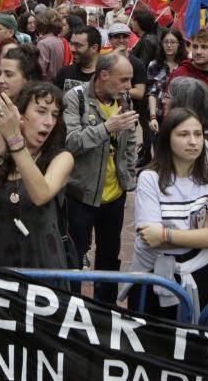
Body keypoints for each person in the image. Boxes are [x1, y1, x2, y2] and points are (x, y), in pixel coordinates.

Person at [0, 82, 74, 268]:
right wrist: (0, 150)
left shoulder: (62, 158)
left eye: (55, 115)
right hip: (0, 264)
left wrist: (16, 142)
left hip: (43, 267)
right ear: (20, 117)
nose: (49, 121)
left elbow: (41, 195)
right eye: (41, 111)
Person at [127, 108, 208, 320]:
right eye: (183, 134)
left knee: (194, 342)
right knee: (151, 341)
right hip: (154, 273)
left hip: (201, 273)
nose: (193, 141)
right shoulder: (149, 178)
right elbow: (149, 237)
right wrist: (200, 236)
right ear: (167, 139)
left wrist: (166, 235)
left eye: (198, 134)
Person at [63, 53, 139, 300]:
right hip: (80, 194)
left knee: (109, 256)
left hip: (114, 195)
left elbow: (130, 142)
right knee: (74, 255)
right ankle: (71, 306)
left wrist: (128, 174)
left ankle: (105, 310)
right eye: (124, 80)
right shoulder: (76, 98)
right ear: (104, 75)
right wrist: (106, 128)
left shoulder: (124, 99)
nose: (129, 86)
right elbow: (71, 141)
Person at [147, 28, 187, 139]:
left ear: (179, 44)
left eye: (173, 42)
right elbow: (152, 92)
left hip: (180, 116)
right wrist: (153, 117)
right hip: (158, 116)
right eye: (166, 42)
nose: (169, 45)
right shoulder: (154, 65)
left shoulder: (186, 66)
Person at [168, 26, 208, 96]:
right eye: (195, 47)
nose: (198, 52)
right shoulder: (179, 73)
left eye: (204, 47)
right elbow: (168, 103)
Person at [54, 26, 102, 91]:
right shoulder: (64, 73)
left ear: (94, 48)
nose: (72, 49)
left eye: (78, 45)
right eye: (71, 44)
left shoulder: (105, 76)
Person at [35, 9, 66, 83]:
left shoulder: (43, 43)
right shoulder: (60, 41)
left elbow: (41, 68)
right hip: (57, 82)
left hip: (45, 84)